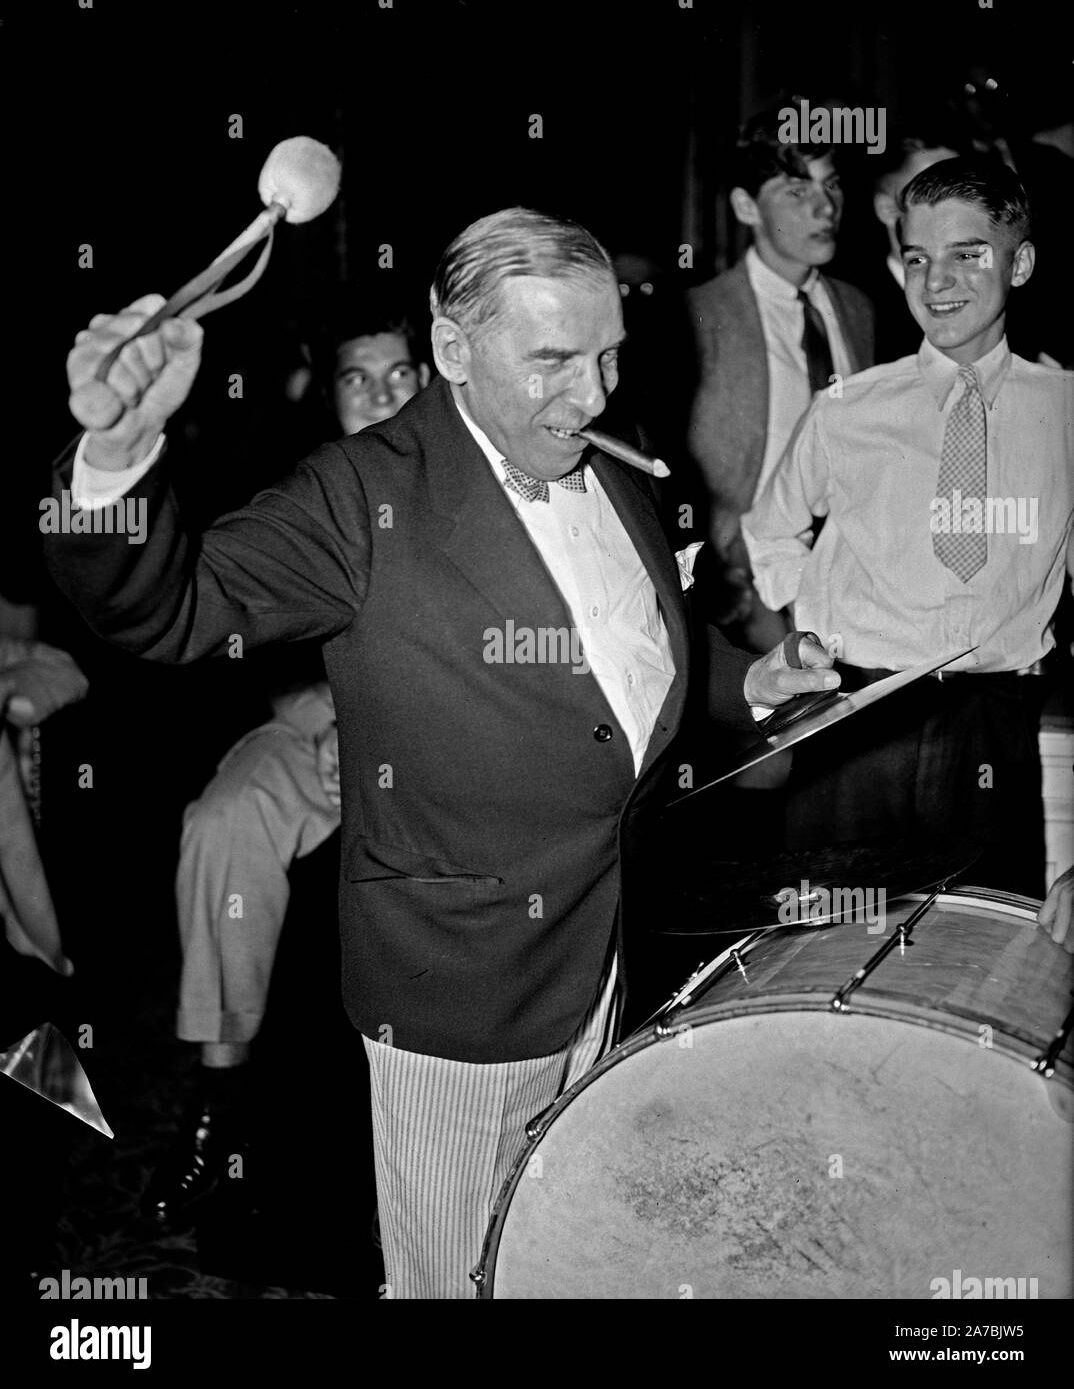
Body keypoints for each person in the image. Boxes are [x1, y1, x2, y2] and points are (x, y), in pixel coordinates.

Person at [49, 207, 837, 1298]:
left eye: (608, 353)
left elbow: (636, 641)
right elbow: (173, 610)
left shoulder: (615, 460)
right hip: (458, 982)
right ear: (454, 348)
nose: (595, 392)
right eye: (554, 359)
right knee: (451, 1277)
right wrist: (117, 457)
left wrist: (744, 680)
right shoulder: (357, 493)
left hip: (607, 946)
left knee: (560, 1240)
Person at [141, 308, 430, 1225]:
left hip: (437, 740)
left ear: (431, 377)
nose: (382, 395)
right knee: (222, 823)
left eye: (400, 374)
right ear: (329, 392)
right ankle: (217, 1101)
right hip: (311, 721)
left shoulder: (474, 481)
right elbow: (231, 637)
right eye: (359, 378)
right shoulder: (306, 490)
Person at [742, 157, 1074, 898]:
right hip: (856, 728)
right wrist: (807, 630)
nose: (938, 281)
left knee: (971, 967)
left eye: (967, 254)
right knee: (825, 959)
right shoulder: (848, 410)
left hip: (996, 727)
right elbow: (770, 529)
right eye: (918, 258)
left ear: (1019, 264)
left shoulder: (1064, 413)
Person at [686, 97, 874, 654]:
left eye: (832, 185)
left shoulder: (859, 309)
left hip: (849, 581)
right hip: (744, 594)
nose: (825, 209)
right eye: (797, 191)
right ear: (746, 207)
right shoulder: (700, 317)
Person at [869, 129, 960, 363]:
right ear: (887, 210)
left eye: (961, 189)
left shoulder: (994, 292)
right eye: (931, 192)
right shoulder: (862, 312)